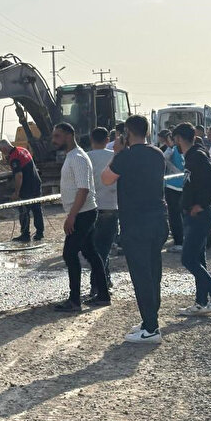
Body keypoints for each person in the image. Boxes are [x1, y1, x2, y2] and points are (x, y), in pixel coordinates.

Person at [102, 115, 168, 344]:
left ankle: (151, 328)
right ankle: (151, 319)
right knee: (153, 272)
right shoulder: (157, 153)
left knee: (141, 275)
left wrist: (117, 153)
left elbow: (106, 179)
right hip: (158, 219)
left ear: (127, 133)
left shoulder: (125, 156)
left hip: (136, 223)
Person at [169, 123, 211, 317]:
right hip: (194, 215)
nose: (174, 143)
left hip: (199, 216)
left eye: (175, 139)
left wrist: (202, 204)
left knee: (188, 259)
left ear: (179, 138)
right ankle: (201, 302)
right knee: (198, 259)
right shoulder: (193, 155)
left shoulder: (196, 156)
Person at [51, 122, 110, 312]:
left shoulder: (77, 158)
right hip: (83, 212)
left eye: (58, 136)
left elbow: (83, 189)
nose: (54, 140)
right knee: (91, 253)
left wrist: (72, 216)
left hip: (83, 213)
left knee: (69, 254)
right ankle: (103, 295)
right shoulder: (73, 156)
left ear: (69, 135)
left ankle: (75, 300)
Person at [86, 127, 117, 296]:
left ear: (91, 139)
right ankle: (97, 283)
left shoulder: (85, 158)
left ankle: (104, 279)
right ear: (107, 140)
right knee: (104, 248)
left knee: (97, 247)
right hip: (111, 206)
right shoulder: (115, 156)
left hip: (91, 208)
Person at [0, 139, 44, 241]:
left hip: (27, 187)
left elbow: (19, 175)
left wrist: (16, 192)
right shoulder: (22, 150)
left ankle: (25, 234)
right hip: (36, 183)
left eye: (2, 151)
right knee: (37, 209)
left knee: (23, 210)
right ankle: (40, 233)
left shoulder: (14, 157)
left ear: (4, 149)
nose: (3, 154)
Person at [161, 130, 186, 252]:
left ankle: (179, 242)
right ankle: (182, 239)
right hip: (181, 185)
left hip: (174, 186)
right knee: (180, 215)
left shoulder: (174, 150)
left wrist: (170, 147)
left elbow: (163, 159)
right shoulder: (184, 149)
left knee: (175, 216)